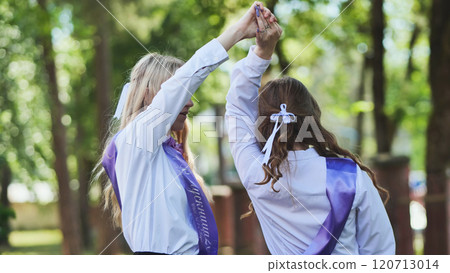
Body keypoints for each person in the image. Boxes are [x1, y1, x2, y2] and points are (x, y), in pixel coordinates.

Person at [95, 2, 271, 255]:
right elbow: (186, 79)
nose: (189, 101)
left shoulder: (168, 154)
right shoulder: (136, 139)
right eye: (181, 94)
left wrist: (262, 53)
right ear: (148, 95)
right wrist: (237, 32)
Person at [225, 11, 396, 255]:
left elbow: (237, 108)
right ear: (312, 118)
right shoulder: (352, 177)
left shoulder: (257, 175)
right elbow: (380, 253)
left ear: (262, 125)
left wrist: (262, 53)